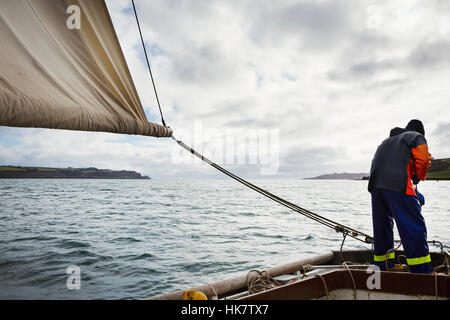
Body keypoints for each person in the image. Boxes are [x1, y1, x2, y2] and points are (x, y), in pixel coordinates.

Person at [368, 119, 433, 273]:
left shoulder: (386, 142)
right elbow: (423, 160)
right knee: (413, 227)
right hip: (398, 184)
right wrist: (419, 177)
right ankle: (422, 271)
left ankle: (384, 267)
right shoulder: (416, 137)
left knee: (382, 229)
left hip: (376, 187)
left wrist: (414, 191)